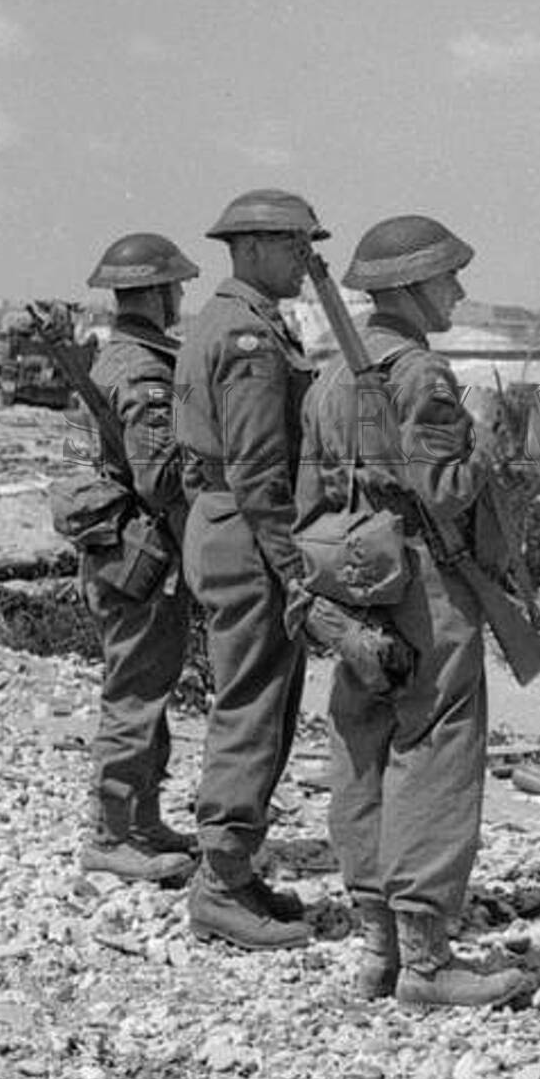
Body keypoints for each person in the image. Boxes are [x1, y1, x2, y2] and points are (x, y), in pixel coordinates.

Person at [296, 215, 527, 1008]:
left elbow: (308, 507)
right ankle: (427, 963)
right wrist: (494, 435)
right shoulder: (421, 372)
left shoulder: (329, 377)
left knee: (363, 753)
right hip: (428, 590)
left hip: (357, 584)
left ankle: (376, 952)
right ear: (411, 285)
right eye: (447, 276)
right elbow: (448, 489)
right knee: (434, 753)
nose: (458, 288)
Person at [173, 188, 326, 951]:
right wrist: (295, 566)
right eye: (298, 245)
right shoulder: (249, 338)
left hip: (228, 524)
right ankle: (221, 882)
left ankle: (235, 872)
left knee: (258, 698)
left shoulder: (235, 320)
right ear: (257, 245)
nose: (308, 261)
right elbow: (262, 469)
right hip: (250, 532)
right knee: (253, 707)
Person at [77, 232, 201, 885]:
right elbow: (160, 478)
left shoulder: (111, 359)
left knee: (146, 691)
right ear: (154, 292)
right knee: (134, 696)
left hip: (119, 552)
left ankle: (142, 820)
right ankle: (111, 833)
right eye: (175, 286)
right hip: (141, 558)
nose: (182, 296)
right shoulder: (146, 370)